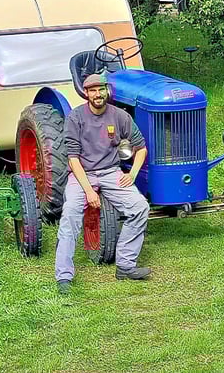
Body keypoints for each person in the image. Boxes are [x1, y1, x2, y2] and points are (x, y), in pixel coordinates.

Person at [55, 73, 151, 294]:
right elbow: (73, 158)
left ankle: (125, 265)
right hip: (82, 175)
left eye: (101, 90)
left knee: (140, 207)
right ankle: (64, 277)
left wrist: (133, 174)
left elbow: (141, 147)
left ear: (106, 91)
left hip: (110, 172)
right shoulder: (76, 118)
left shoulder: (120, 116)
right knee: (70, 213)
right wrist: (88, 191)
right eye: (92, 91)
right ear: (86, 93)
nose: (97, 94)